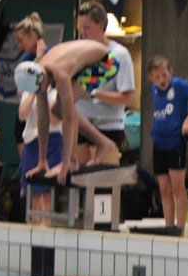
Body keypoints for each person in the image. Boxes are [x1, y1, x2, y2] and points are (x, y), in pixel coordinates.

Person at [15, 39, 120, 184]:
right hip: (84, 61)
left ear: (42, 78)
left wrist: (65, 164)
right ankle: (103, 142)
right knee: (57, 110)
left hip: (106, 62)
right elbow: (43, 119)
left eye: (40, 88)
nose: (40, 92)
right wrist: (42, 160)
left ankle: (72, 160)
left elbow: (68, 119)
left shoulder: (60, 73)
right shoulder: (39, 74)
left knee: (63, 110)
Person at [148, 55, 188, 231]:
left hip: (175, 142)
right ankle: (169, 227)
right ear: (151, 78)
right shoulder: (154, 89)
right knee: (164, 189)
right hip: (158, 142)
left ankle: (180, 228)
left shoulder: (179, 85)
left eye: (164, 75)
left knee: (177, 188)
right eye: (157, 77)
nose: (162, 80)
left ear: (171, 72)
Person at [74, 1, 136, 163]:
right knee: (80, 175)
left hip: (108, 125)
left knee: (103, 176)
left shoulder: (119, 54)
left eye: (87, 27)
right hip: (81, 122)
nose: (83, 32)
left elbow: (127, 98)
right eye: (80, 28)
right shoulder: (77, 52)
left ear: (101, 25)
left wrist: (94, 93)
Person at [18, 81, 62, 225]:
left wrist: (45, 97)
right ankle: (35, 224)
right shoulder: (28, 91)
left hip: (52, 141)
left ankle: (45, 224)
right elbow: (22, 114)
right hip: (31, 143)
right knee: (33, 190)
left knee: (46, 191)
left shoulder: (56, 93)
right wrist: (35, 93)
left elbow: (55, 120)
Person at [13, 13, 47, 159]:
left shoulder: (50, 55)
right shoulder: (26, 59)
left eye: (21, 40)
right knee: (26, 164)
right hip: (25, 115)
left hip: (43, 116)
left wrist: (40, 58)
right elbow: (20, 91)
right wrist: (37, 59)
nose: (19, 45)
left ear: (32, 36)